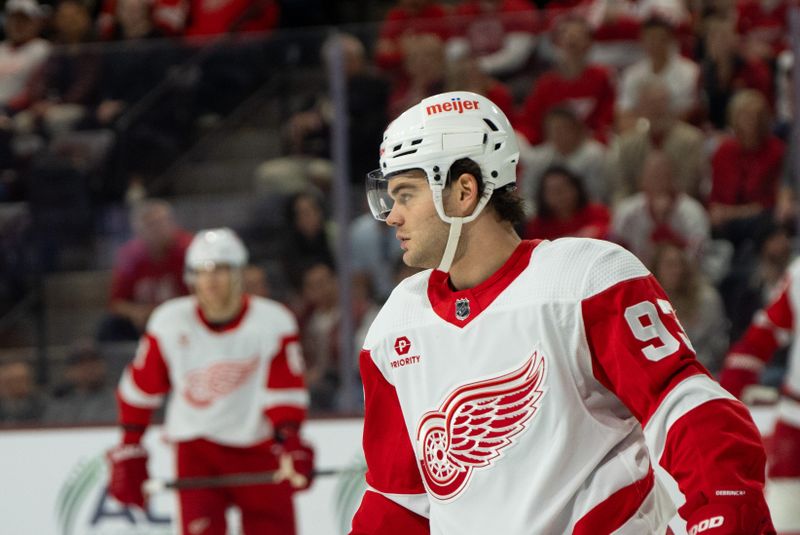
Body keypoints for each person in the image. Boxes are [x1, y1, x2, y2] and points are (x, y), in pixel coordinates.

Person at [350, 90, 774, 534]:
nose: (391, 216)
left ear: (462, 191)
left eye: (405, 194)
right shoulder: (397, 323)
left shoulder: (586, 279)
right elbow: (399, 501)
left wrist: (725, 509)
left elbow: (688, 410)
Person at [106, 228, 315, 535]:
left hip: (257, 447)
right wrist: (130, 446)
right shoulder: (169, 322)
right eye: (203, 272)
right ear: (191, 278)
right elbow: (141, 389)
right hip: (197, 450)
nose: (212, 280)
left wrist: (290, 440)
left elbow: (284, 390)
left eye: (222, 269)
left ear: (239, 274)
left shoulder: (273, 321)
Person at [719, 256, 800, 479]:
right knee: (785, 507)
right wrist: (729, 391)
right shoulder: (798, 273)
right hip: (795, 419)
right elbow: (764, 334)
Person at [97, 199, 193, 342]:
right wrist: (135, 312)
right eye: (150, 225)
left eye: (160, 223)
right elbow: (116, 302)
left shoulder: (190, 250)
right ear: (138, 230)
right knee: (110, 326)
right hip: (146, 320)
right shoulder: (131, 256)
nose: (156, 231)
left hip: (184, 316)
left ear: (172, 223)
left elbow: (201, 297)